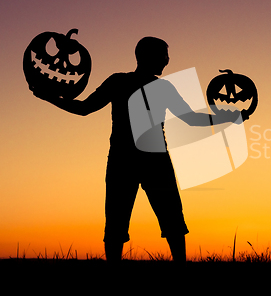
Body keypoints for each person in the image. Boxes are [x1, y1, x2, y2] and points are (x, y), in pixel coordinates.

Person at [34, 36, 238, 263]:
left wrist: (49, 97)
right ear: (150, 57)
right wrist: (225, 119)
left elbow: (83, 108)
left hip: (128, 159)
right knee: (166, 220)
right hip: (149, 160)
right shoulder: (155, 86)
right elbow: (190, 119)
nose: (167, 61)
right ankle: (180, 267)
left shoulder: (120, 82)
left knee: (123, 221)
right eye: (164, 56)